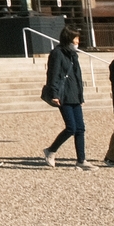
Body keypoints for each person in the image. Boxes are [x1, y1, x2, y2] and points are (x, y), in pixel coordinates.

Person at [40, 27, 89, 169]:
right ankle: (51, 150)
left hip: (75, 94)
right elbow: (53, 74)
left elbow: (78, 76)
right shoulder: (57, 53)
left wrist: (81, 95)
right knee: (71, 127)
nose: (77, 42)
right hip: (64, 95)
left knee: (80, 128)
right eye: (75, 39)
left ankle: (81, 159)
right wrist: (54, 93)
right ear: (68, 39)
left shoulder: (73, 54)